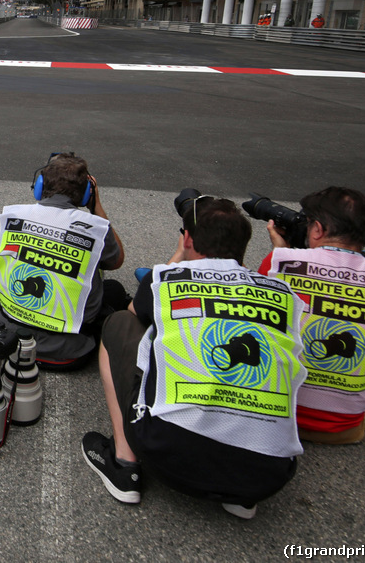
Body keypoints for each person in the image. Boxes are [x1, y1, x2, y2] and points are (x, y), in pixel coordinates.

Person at [83, 197, 305, 519]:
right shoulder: (282, 292)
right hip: (268, 475)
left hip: (168, 455)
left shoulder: (164, 280)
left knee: (118, 324)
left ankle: (123, 464)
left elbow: (135, 314)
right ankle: (240, 497)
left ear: (187, 238)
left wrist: (177, 260)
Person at [259, 187, 365, 444]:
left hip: (280, 416)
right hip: (345, 425)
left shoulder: (279, 262)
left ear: (318, 229)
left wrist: (280, 254)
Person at [0, 152, 126, 370]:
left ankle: (6, 322)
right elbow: (115, 262)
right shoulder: (95, 228)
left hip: (12, 343)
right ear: (87, 193)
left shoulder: (15, 215)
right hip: (69, 355)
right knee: (113, 289)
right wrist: (96, 206)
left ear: (39, 186)